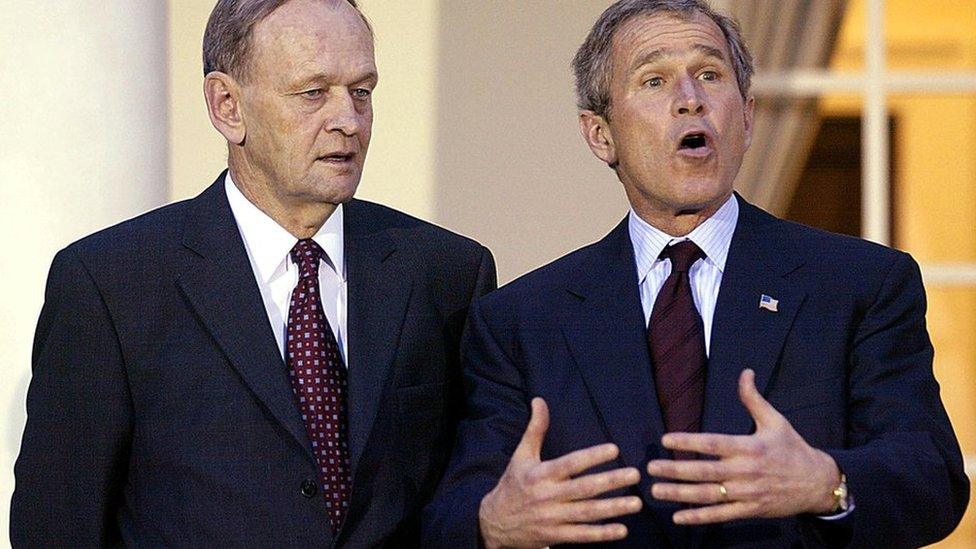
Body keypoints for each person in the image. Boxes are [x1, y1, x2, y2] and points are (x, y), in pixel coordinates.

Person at [423, 1, 968, 547]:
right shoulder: (522, 320)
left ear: (748, 117)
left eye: (710, 74)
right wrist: (493, 522)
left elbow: (932, 480)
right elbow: (448, 517)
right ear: (600, 135)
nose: (691, 100)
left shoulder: (860, 286)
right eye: (655, 80)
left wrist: (827, 483)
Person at [10, 0, 495, 546]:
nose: (348, 120)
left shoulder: (446, 273)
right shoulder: (112, 284)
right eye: (314, 93)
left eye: (361, 91)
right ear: (227, 106)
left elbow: (460, 497)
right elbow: (55, 525)